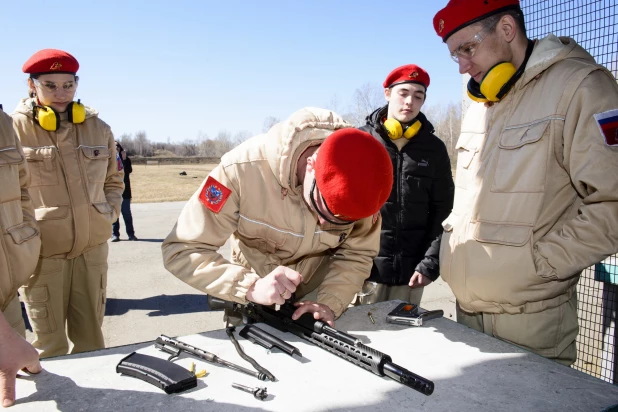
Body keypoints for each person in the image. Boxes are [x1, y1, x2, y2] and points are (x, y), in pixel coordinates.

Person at [433, 0, 618, 365]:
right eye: (455, 56)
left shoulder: (580, 87)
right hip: (467, 314)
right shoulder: (479, 105)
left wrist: (539, 266)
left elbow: (611, 202)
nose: (462, 67)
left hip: (531, 319)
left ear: (506, 29)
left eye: (467, 49)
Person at [162, 107, 393, 326]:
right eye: (322, 208)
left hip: (315, 297)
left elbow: (358, 253)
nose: (324, 223)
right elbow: (183, 249)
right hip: (249, 293)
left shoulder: (364, 184)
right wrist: (250, 287)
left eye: (341, 222)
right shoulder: (240, 171)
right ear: (312, 164)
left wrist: (330, 302)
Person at [11, 49, 124, 358]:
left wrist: (108, 213)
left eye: (68, 84)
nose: (61, 93)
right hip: (42, 254)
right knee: (49, 346)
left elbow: (114, 180)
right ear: (31, 85)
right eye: (50, 85)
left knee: (92, 339)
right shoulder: (12, 130)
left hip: (92, 251)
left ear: (77, 84)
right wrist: (25, 234)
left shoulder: (98, 129)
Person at [356, 64, 454, 307]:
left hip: (411, 276)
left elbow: (444, 211)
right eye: (403, 93)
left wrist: (430, 263)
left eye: (418, 96)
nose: (410, 101)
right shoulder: (361, 141)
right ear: (388, 94)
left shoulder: (434, 149)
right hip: (363, 273)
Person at [0, 106, 42, 407]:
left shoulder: (2, 123)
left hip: (6, 290)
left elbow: (22, 189)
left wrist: (25, 233)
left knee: (24, 388)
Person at [112, 141, 137, 242]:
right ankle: (115, 235)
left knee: (127, 214)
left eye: (117, 146)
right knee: (114, 215)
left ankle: (131, 234)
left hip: (125, 192)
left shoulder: (126, 159)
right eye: (114, 146)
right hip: (113, 191)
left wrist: (124, 159)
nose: (116, 147)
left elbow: (129, 170)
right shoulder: (109, 160)